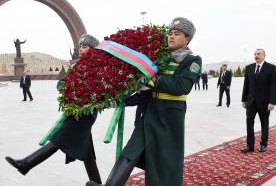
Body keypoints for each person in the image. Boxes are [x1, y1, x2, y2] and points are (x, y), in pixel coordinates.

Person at [86, 17, 202, 186]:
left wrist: (153, 80)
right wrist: (122, 100)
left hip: (169, 117)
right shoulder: (160, 58)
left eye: (177, 34)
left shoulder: (192, 59)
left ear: (187, 39)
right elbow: (147, 91)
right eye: (170, 33)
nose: (171, 36)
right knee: (130, 151)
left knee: (165, 163)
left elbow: (182, 86)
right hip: (149, 111)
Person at [5, 34, 102, 184]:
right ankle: (97, 181)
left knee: (58, 138)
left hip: (86, 113)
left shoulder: (97, 66)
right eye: (80, 46)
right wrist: (65, 87)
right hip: (75, 111)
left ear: (93, 49)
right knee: (87, 153)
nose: (81, 49)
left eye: (85, 46)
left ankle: (26, 164)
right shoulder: (78, 65)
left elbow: (98, 90)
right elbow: (63, 83)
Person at [240, 49, 276, 153]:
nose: (256, 56)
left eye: (258, 54)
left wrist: (272, 101)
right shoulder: (249, 68)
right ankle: (249, 145)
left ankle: (263, 144)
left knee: (264, 123)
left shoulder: (271, 68)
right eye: (255, 54)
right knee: (249, 123)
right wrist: (244, 99)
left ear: (264, 55)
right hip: (251, 102)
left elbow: (273, 86)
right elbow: (246, 85)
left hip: (265, 102)